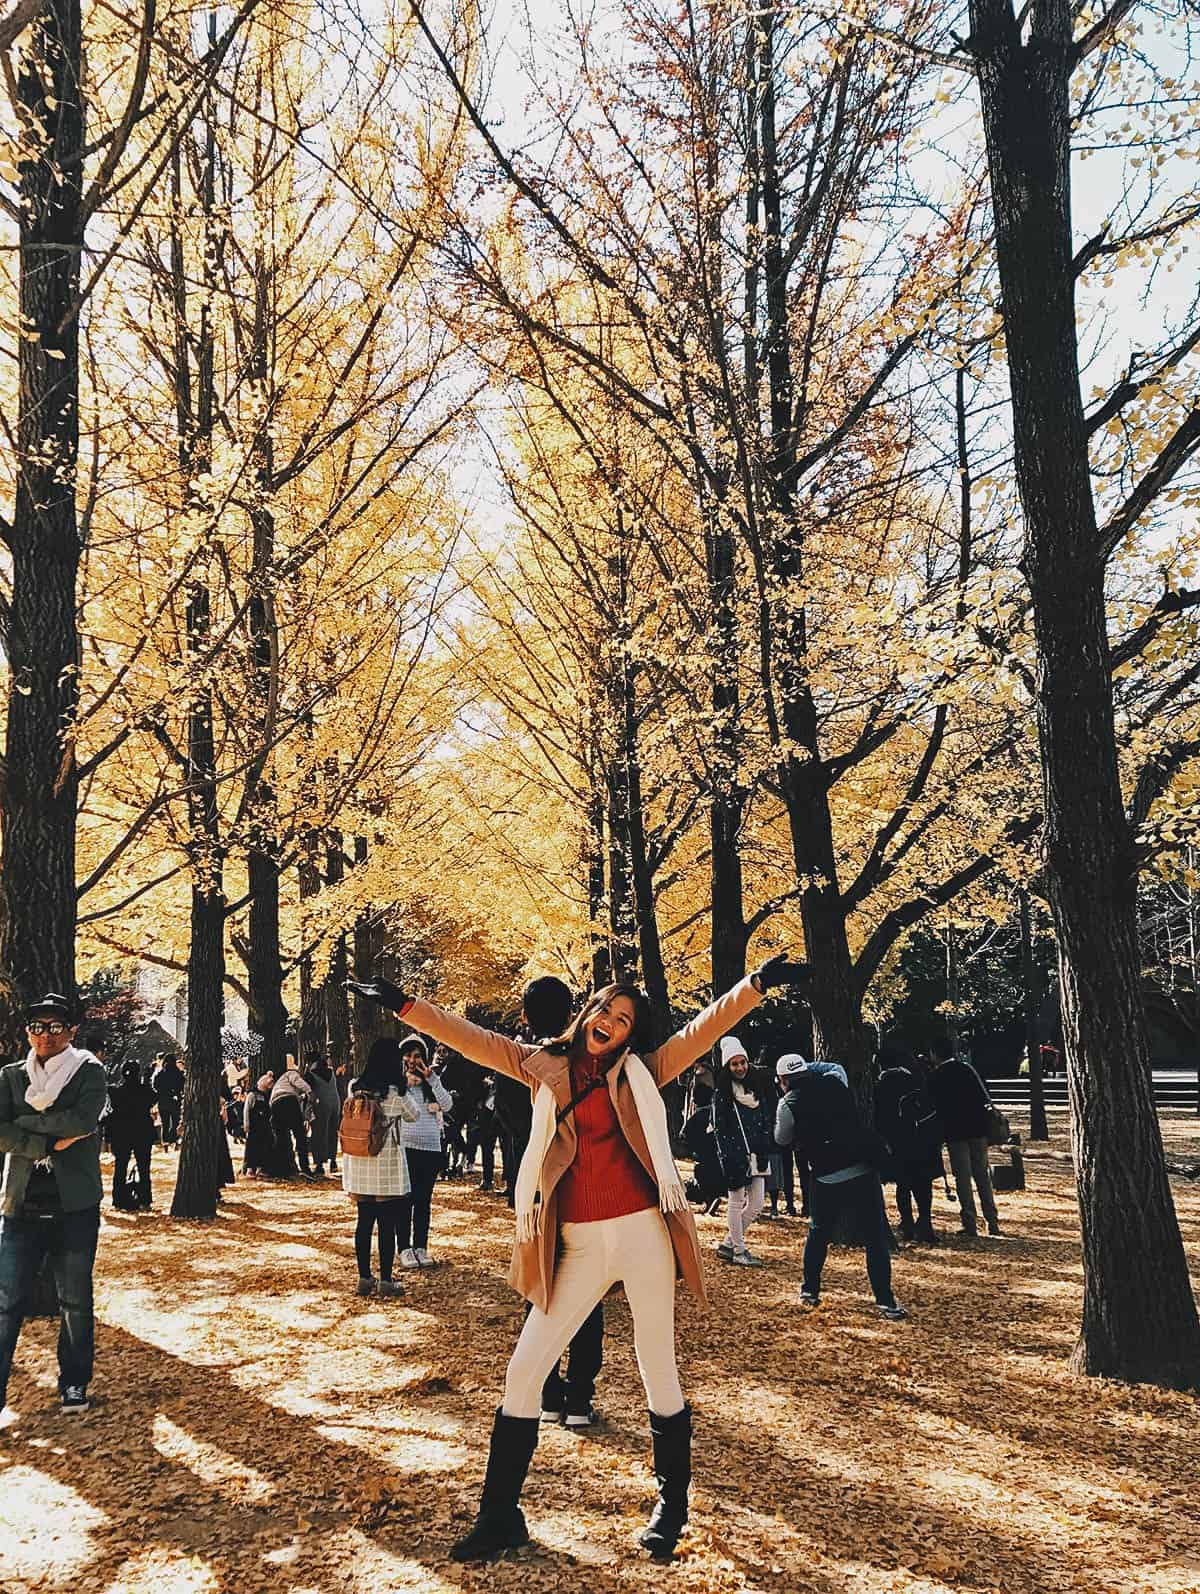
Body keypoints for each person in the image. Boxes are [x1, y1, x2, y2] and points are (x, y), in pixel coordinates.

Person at [350, 952, 808, 1562]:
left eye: (623, 1021)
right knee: (523, 1370)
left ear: (628, 1033)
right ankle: (500, 1516)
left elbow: (702, 1030)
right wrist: (404, 1003)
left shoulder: (643, 1069)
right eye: (606, 1010)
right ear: (588, 1010)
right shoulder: (544, 1067)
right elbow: (471, 1039)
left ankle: (671, 1505)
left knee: (656, 1366)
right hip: (579, 1245)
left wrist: (755, 985)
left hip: (643, 1234)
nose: (611, 1024)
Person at [0, 994, 108, 1420]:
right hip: (19, 1205)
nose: (46, 1035)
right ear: (28, 1032)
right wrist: (44, 1140)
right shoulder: (10, 1076)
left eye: (55, 1027)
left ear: (72, 1031)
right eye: (37, 1027)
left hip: (75, 1206)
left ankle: (75, 1382)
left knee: (76, 1302)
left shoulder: (88, 1072)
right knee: (6, 1304)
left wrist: (22, 1124)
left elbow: (83, 1120)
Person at [520, 976, 603, 1431]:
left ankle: (548, 1391)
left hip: (538, 1198)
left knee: (541, 1295)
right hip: (586, 1195)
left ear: (527, 1015)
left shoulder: (525, 1062)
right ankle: (578, 1397)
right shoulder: (592, 1061)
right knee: (587, 1302)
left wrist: (405, 1004)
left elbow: (468, 1037)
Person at [774, 1055, 907, 1321]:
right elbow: (837, 1067)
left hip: (825, 1176)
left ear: (783, 1081)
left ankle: (810, 1291)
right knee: (875, 1238)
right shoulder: (835, 1083)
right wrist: (808, 1067)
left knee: (818, 1234)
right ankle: (885, 1300)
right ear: (807, 1071)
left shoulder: (787, 1103)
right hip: (862, 1169)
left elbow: (782, 1138)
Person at [342, 1039, 420, 1296]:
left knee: (364, 1221)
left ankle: (364, 1278)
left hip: (360, 1158)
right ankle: (386, 1280)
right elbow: (414, 1115)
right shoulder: (396, 1091)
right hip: (386, 1162)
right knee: (387, 1223)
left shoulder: (356, 1088)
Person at [927, 1034, 1001, 1237]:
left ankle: (970, 1222)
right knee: (982, 1176)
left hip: (955, 1133)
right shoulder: (967, 1069)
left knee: (963, 1178)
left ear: (935, 1054)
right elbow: (983, 1095)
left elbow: (932, 1106)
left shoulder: (937, 1076)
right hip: (978, 1130)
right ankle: (992, 1221)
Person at [710, 1036, 775, 1266]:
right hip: (735, 1156)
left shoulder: (756, 1088)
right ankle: (738, 1250)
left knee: (756, 1203)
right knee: (736, 1202)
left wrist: (766, 1145)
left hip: (758, 1154)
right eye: (734, 1064)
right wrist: (729, 1156)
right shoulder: (722, 1094)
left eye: (742, 1062)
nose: (740, 1068)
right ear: (727, 1066)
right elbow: (720, 1129)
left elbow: (766, 1118)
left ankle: (729, 1243)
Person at [395, 1036, 454, 1268]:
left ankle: (421, 1246)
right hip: (405, 1148)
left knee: (423, 1201)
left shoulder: (431, 1081)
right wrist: (403, 1085)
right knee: (404, 1200)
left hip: (430, 1147)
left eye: (417, 1055)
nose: (412, 1060)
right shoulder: (396, 1083)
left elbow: (448, 1105)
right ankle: (404, 1248)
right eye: (408, 1055)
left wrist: (432, 1079)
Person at [106, 1060, 156, 1211]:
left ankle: (118, 1198)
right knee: (144, 1167)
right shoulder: (146, 1091)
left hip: (121, 1132)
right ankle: (145, 1199)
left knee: (120, 1166)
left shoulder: (115, 1092)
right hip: (142, 1131)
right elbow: (154, 1098)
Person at [270, 1057, 315, 1179]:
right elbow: (297, 1083)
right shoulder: (290, 1074)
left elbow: (295, 1094)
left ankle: (282, 1170)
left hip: (275, 1105)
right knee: (300, 1135)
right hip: (288, 1102)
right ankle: (305, 1168)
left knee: (282, 1138)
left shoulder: (279, 1084)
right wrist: (309, 1091)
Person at [306, 1057, 341, 1178]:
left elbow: (308, 1091)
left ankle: (319, 1164)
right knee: (332, 1132)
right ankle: (333, 1161)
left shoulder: (311, 1074)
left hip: (321, 1105)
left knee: (319, 1133)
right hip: (335, 1104)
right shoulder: (331, 1072)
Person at [243, 1073, 277, 1177]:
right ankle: (249, 1169)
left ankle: (260, 1168)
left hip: (264, 1128)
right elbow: (246, 1111)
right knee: (251, 1148)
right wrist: (246, 1125)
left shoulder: (267, 1096)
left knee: (264, 1147)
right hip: (253, 1128)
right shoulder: (252, 1095)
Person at [152, 1053, 184, 1147]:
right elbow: (182, 1085)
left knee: (164, 1122)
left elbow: (155, 1086)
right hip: (175, 1099)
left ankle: (165, 1141)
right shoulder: (178, 1073)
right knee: (175, 1121)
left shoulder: (160, 1073)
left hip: (163, 1100)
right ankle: (174, 1140)